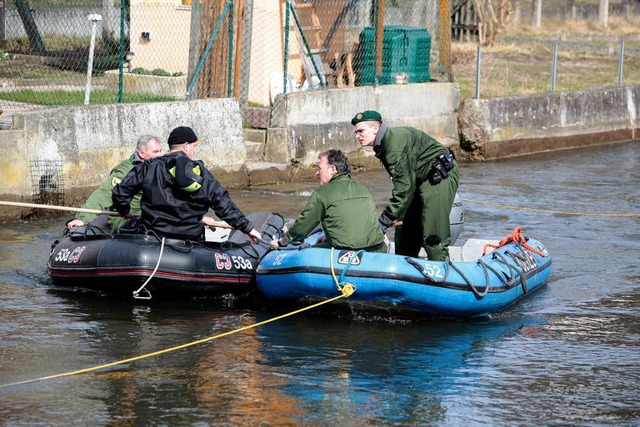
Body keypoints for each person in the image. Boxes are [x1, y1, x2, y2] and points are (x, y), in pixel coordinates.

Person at [112, 126, 262, 242]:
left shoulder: (148, 167)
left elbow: (120, 193)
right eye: (193, 145)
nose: (194, 149)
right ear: (186, 145)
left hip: (153, 235)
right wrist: (248, 228)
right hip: (189, 238)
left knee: (126, 230)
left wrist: (125, 211)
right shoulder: (198, 171)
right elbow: (222, 203)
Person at [351, 110, 459, 261]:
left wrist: (383, 222)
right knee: (405, 230)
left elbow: (404, 189)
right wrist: (397, 215)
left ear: (376, 128)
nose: (357, 136)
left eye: (361, 131)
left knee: (433, 235)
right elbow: (404, 183)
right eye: (356, 132)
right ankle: (404, 266)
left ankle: (441, 270)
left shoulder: (392, 145)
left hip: (438, 177)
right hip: (417, 180)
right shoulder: (384, 143)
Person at [274, 149, 386, 253]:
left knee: (305, 251)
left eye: (320, 168)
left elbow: (302, 226)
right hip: (378, 249)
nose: (317, 173)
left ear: (333, 169)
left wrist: (283, 242)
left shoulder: (322, 193)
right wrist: (328, 237)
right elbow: (355, 222)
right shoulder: (363, 189)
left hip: (346, 253)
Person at [67, 135, 164, 230]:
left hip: (148, 213)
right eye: (155, 152)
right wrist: (82, 218)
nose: (160, 155)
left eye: (160, 151)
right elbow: (105, 193)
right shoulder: (126, 171)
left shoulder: (156, 167)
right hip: (126, 217)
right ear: (141, 153)